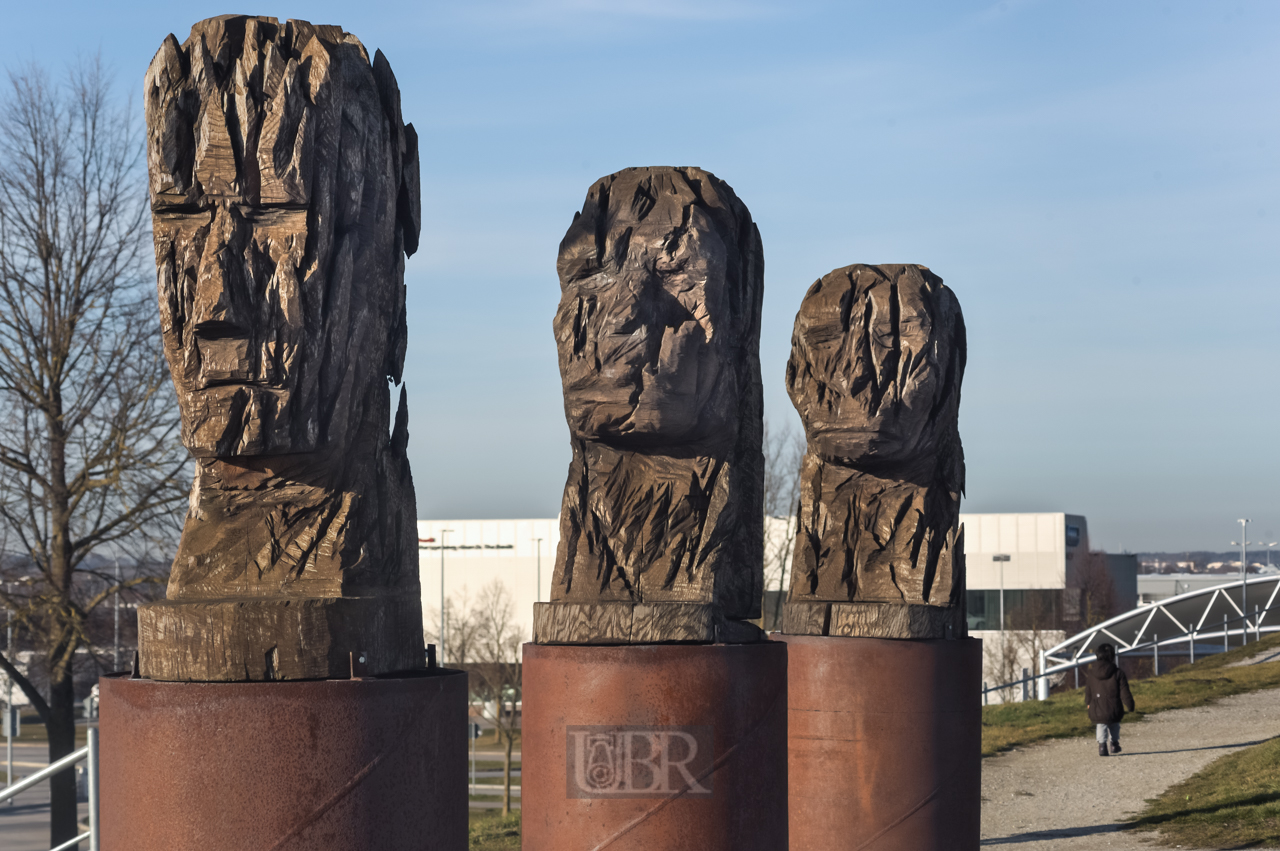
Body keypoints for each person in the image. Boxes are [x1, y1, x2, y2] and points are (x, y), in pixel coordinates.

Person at [1085, 643, 1135, 756]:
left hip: (1097, 706)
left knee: (1101, 724)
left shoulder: (1091, 673)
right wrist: (1130, 705)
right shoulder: (1118, 673)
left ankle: (1102, 746)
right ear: (1112, 656)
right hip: (1114, 706)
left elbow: (1089, 690)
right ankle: (1114, 744)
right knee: (1114, 724)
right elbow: (1124, 691)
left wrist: (1088, 702)